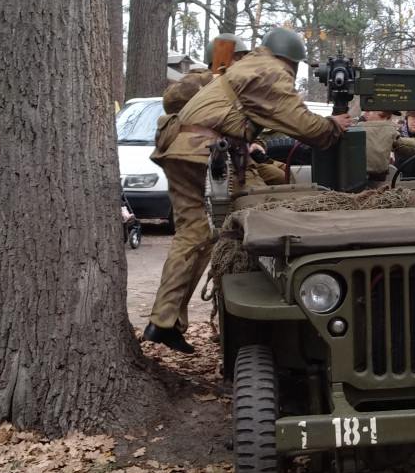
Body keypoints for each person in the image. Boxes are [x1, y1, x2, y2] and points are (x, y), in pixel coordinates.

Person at [142, 27, 352, 353]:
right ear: (290, 60)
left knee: (193, 234)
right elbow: (303, 125)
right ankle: (257, 315)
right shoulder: (269, 70)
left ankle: (164, 320)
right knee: (254, 219)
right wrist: (332, 127)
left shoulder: (243, 68)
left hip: (179, 148)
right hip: (209, 151)